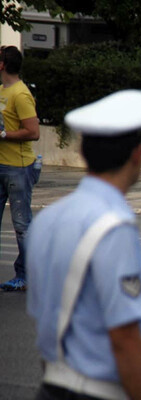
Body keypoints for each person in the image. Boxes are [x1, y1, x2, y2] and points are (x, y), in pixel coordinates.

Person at [26, 90, 141, 399]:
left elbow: (46, 320)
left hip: (52, 385)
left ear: (82, 151)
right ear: (137, 154)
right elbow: (125, 338)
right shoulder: (113, 225)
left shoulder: (49, 219)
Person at [0, 45, 40, 292]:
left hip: (18, 167)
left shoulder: (21, 94)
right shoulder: (2, 91)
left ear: (3, 65)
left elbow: (33, 132)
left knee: (22, 225)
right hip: (1, 165)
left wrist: (4, 135)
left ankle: (25, 275)